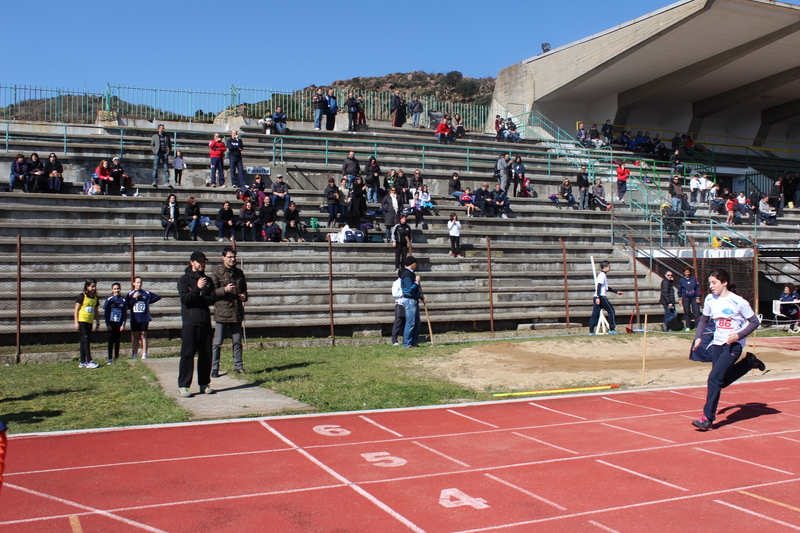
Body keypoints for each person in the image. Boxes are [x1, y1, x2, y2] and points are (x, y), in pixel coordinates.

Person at [690, 269, 765, 430]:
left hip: (733, 345)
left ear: (724, 283)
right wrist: (698, 337)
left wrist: (738, 335)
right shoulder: (710, 299)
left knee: (713, 379)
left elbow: (754, 322)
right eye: (710, 283)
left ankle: (707, 418)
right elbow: (704, 320)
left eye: (714, 283)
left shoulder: (739, 302)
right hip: (717, 344)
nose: (710, 286)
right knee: (719, 382)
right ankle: (748, 363)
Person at [177, 251, 218, 397]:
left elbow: (212, 299)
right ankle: (184, 385)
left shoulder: (208, 280)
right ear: (192, 262)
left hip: (204, 322)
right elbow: (186, 300)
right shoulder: (184, 280)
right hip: (190, 322)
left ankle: (204, 383)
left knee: (206, 355)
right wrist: (198, 289)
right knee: (187, 355)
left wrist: (197, 296)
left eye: (204, 262)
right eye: (199, 262)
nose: (202, 264)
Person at [211, 247, 248, 377]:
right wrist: (225, 290)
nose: (233, 260)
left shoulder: (239, 273)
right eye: (230, 257)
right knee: (217, 343)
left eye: (234, 257)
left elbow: (244, 290)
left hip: (236, 312)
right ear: (223, 258)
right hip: (222, 312)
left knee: (237, 342)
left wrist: (244, 296)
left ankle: (238, 366)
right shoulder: (216, 273)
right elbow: (211, 294)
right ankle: (214, 367)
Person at [126, 276, 161, 360]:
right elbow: (128, 305)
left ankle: (144, 354)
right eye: (137, 282)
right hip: (135, 318)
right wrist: (134, 298)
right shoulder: (130, 294)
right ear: (134, 283)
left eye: (141, 282)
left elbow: (157, 297)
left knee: (143, 335)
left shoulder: (146, 293)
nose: (139, 284)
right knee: (135, 336)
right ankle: (135, 354)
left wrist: (148, 302)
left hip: (144, 317)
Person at [588, 260, 623, 335]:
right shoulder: (602, 275)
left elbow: (606, 288)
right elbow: (599, 286)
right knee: (611, 311)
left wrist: (616, 292)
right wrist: (598, 297)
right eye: (609, 267)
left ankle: (591, 331)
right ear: (605, 267)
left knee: (595, 314)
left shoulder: (603, 275)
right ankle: (612, 329)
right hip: (601, 297)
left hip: (598, 296)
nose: (610, 268)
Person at [74, 278, 101, 368]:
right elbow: (76, 309)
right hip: (82, 320)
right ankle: (89, 360)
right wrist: (76, 322)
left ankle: (82, 361)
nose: (93, 288)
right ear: (87, 286)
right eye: (92, 286)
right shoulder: (82, 296)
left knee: (83, 340)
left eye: (95, 286)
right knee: (86, 339)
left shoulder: (95, 298)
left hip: (90, 321)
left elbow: (96, 311)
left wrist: (97, 322)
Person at [400, 256, 425, 348]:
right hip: (410, 300)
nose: (417, 265)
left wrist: (420, 297)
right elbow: (410, 289)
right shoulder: (406, 274)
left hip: (414, 299)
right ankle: (407, 343)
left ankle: (413, 342)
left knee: (416, 323)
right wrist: (417, 282)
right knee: (410, 323)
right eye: (416, 263)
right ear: (412, 264)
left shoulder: (411, 273)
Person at [103, 282, 127, 365]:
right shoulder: (109, 300)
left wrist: (123, 324)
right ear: (112, 290)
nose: (116, 290)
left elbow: (124, 314)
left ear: (120, 289)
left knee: (117, 341)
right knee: (110, 341)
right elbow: (106, 313)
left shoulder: (123, 300)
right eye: (115, 289)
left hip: (118, 324)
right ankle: (109, 358)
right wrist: (108, 324)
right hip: (111, 324)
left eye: (118, 289)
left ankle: (116, 358)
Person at [150, 124, 172, 188]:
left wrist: (168, 151)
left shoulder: (167, 136)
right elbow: (152, 144)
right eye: (162, 128)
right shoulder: (155, 136)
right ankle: (154, 181)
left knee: (166, 168)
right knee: (155, 168)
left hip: (165, 153)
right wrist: (154, 150)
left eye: (163, 128)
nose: (163, 129)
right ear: (159, 129)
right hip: (157, 153)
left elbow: (170, 144)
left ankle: (167, 181)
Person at [391, 275, 406, 346]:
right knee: (398, 322)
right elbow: (395, 294)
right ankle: (394, 340)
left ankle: (405, 339)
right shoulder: (396, 283)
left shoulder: (407, 281)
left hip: (407, 303)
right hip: (399, 304)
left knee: (406, 323)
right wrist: (404, 292)